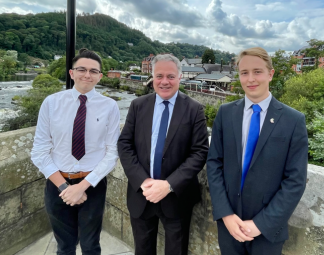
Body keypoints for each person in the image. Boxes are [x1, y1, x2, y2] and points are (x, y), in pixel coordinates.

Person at [207, 47, 308, 255]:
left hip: (268, 230)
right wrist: (225, 214)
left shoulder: (293, 120)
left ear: (270, 74)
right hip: (230, 224)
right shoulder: (225, 114)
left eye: (257, 71)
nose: (251, 79)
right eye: (244, 73)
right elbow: (214, 163)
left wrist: (260, 224)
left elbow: (295, 180)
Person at [31, 48, 120, 255]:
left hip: (93, 184)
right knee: (64, 246)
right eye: (82, 69)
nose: (87, 75)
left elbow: (112, 152)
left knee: (90, 246)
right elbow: (40, 151)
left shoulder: (110, 106)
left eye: (93, 71)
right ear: (71, 73)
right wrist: (65, 187)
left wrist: (82, 187)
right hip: (57, 183)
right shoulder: (51, 103)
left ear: (100, 76)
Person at [118, 53, 209, 255]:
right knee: (142, 249)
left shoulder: (195, 109)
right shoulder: (138, 105)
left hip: (177, 196)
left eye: (170, 76)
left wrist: (168, 185)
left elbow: (199, 152)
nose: (164, 81)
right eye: (159, 76)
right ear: (152, 77)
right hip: (142, 193)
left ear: (180, 77)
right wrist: (143, 182)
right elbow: (124, 144)